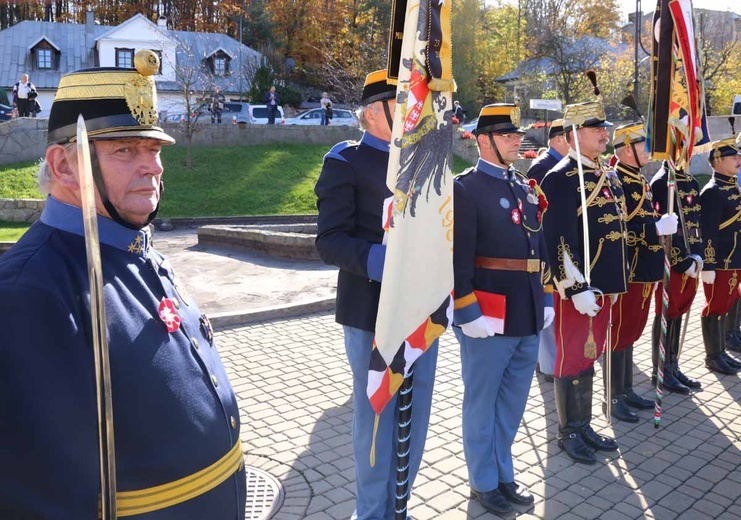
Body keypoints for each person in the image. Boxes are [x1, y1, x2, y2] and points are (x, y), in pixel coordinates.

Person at [0, 51, 246, 519]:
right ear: (64, 166)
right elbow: (32, 498)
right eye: (125, 150)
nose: (152, 166)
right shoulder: (29, 292)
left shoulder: (133, 245)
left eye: (153, 149)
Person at [314, 69, 437, 520]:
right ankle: (371, 512)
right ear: (371, 113)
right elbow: (328, 241)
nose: (410, 112)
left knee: (417, 410)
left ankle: (399, 504)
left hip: (423, 308)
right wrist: (382, 261)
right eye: (398, 104)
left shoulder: (423, 162)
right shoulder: (345, 162)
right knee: (377, 414)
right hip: (371, 310)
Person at [453, 104, 553, 516]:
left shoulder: (525, 186)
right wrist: (465, 308)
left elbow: (540, 245)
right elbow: (456, 257)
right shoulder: (466, 188)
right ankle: (483, 482)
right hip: (487, 314)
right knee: (482, 401)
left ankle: (503, 472)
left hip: (527, 310)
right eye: (508, 135)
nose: (518, 140)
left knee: (512, 402)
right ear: (484, 140)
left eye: (517, 134)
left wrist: (546, 296)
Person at [540, 101, 628, 465]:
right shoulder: (560, 178)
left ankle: (585, 424)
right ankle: (569, 431)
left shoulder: (603, 173)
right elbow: (557, 238)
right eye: (596, 129)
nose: (604, 134)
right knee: (572, 355)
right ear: (574, 135)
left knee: (588, 357)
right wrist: (574, 288)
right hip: (579, 289)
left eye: (604, 128)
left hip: (603, 286)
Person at [608, 122, 678, 422]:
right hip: (630, 271)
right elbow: (620, 229)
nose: (649, 150)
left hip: (647, 270)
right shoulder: (616, 180)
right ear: (626, 149)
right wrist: (654, 229)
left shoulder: (638, 177)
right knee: (620, 333)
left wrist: (660, 223)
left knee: (632, 331)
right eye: (643, 145)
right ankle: (613, 397)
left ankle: (626, 390)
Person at [650, 160, 704, 392]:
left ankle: (673, 364)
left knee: (679, 311)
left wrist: (699, 256)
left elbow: (696, 222)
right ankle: (660, 370)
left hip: (692, 257)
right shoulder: (662, 182)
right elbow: (665, 232)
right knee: (667, 312)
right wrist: (681, 261)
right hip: (673, 262)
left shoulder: (690, 181)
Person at [527, 118, 569, 383]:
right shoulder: (542, 167)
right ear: (556, 140)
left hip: (560, 244)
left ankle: (554, 359)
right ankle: (547, 363)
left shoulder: (563, 166)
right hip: (546, 245)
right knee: (548, 309)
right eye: (568, 137)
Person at [698, 136, 741, 375]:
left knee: (726, 305)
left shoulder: (731, 185)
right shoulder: (712, 192)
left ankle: (721, 350)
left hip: (735, 258)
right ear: (718, 161)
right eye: (733, 157)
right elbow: (709, 232)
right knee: (714, 307)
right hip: (722, 261)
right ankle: (712, 356)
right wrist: (709, 264)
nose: (738, 159)